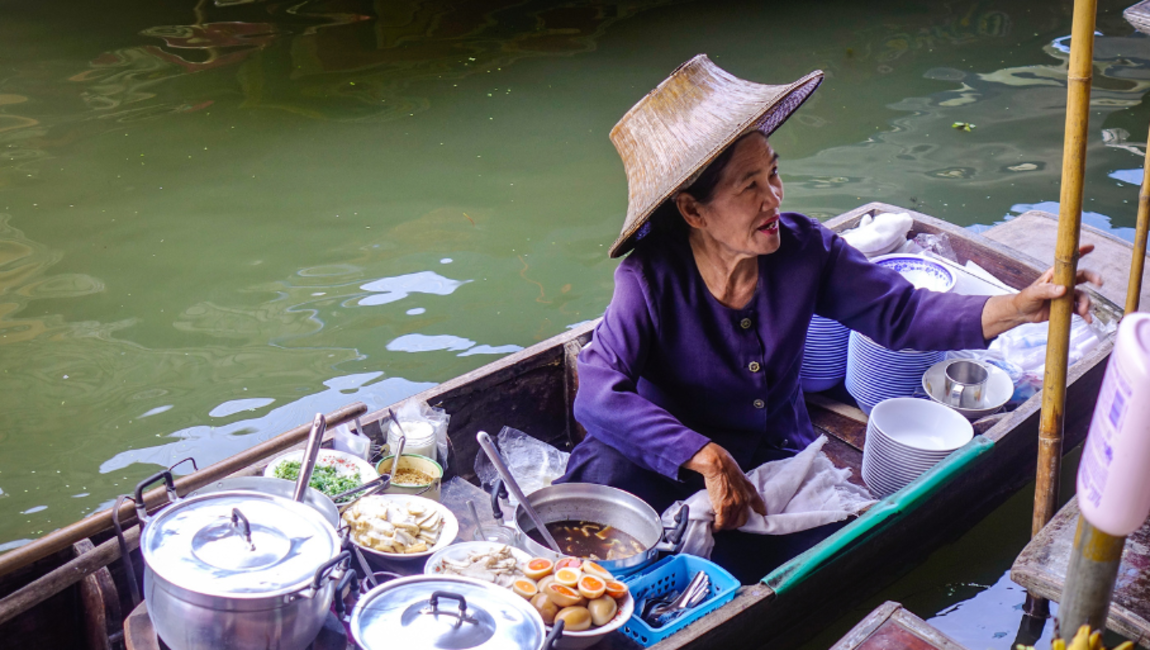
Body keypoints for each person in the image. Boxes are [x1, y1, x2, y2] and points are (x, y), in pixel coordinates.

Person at [557, 55, 1101, 582]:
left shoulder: (804, 249)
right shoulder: (649, 278)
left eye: (773, 174)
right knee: (598, 518)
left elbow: (902, 313)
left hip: (771, 456)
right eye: (749, 186)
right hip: (667, 456)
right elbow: (598, 393)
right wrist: (704, 457)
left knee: (817, 561)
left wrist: (1017, 307)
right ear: (693, 211)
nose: (773, 198)